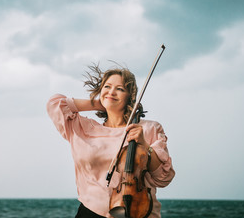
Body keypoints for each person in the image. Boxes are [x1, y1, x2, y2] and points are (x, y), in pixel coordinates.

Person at [46, 64, 175, 218]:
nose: (112, 91)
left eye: (120, 89)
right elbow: (55, 104)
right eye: (107, 86)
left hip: (137, 212)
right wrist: (101, 103)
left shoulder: (148, 129)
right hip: (90, 212)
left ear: (130, 96)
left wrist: (145, 145)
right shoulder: (84, 129)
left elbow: (164, 178)